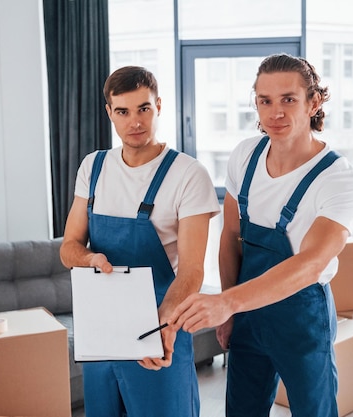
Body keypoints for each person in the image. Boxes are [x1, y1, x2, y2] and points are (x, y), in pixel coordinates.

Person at [169, 53, 353, 417]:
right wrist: (230, 311)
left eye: (288, 99)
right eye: (265, 101)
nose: (276, 113)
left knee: (314, 411)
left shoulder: (337, 179)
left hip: (301, 320)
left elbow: (309, 265)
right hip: (247, 315)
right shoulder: (245, 155)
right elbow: (230, 237)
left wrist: (228, 303)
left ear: (314, 102)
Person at [60, 66, 220, 417]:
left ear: (158, 106)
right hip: (100, 329)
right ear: (110, 113)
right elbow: (68, 247)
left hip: (160, 325)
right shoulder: (94, 167)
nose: (135, 122)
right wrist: (89, 260)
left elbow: (192, 270)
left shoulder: (188, 175)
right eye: (123, 112)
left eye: (143, 109)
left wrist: (162, 324)